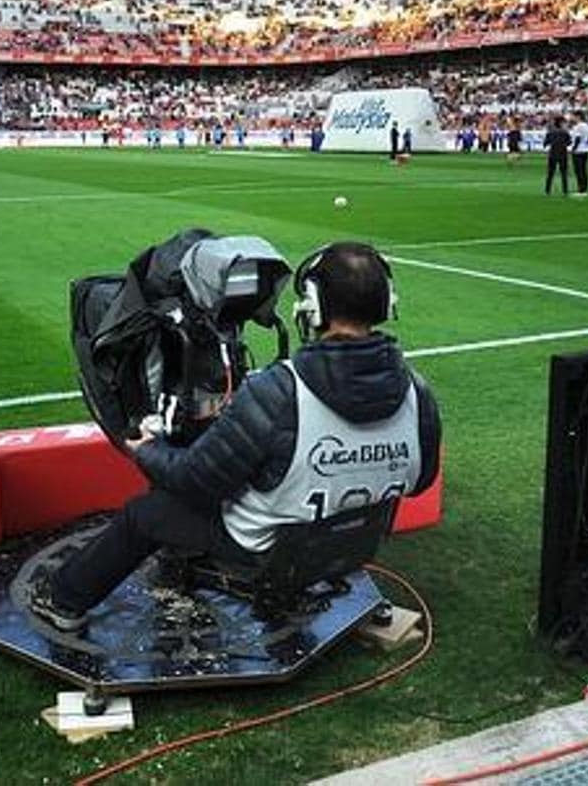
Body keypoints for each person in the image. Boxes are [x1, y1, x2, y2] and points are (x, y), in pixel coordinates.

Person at [31, 242, 442, 631]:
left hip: (267, 545)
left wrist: (148, 451)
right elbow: (421, 479)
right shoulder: (417, 390)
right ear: (388, 303)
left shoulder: (280, 391)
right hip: (352, 542)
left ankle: (62, 601)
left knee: (147, 513)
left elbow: (195, 481)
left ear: (313, 307)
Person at [543, 115, 571, 196]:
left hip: (553, 153)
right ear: (561, 123)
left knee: (550, 173)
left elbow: (545, 143)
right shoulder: (565, 132)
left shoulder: (550, 132)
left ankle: (547, 190)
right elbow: (569, 142)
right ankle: (565, 190)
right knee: (564, 173)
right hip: (563, 153)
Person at [570, 111, 588, 197]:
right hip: (585, 150)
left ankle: (581, 190)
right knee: (584, 170)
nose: (573, 118)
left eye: (574, 116)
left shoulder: (578, 126)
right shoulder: (587, 126)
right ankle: (585, 188)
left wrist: (574, 149)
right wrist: (586, 144)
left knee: (578, 171)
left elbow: (577, 138)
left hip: (578, 151)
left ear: (578, 117)